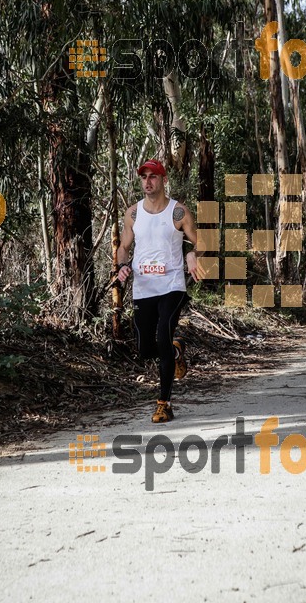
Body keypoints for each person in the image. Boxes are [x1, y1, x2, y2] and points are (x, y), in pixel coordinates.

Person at [117, 159, 202, 423]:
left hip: (172, 286)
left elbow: (201, 244)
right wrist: (122, 266)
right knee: (144, 349)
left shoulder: (178, 213)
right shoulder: (133, 214)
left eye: (153, 176)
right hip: (143, 288)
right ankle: (176, 351)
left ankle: (164, 404)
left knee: (163, 337)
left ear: (164, 180)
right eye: (143, 177)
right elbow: (123, 248)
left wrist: (192, 255)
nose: (147, 182)